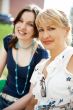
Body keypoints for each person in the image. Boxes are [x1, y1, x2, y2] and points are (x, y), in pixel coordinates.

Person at [4, 8, 73, 110]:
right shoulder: (39, 67)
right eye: (41, 30)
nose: (45, 35)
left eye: (51, 28)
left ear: (66, 31)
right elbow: (32, 104)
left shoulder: (70, 57)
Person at [0, 4, 49, 109]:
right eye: (20, 21)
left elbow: (33, 95)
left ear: (37, 29)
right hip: (2, 99)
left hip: (24, 106)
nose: (22, 27)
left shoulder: (42, 54)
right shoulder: (8, 41)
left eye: (30, 24)